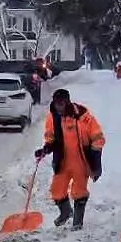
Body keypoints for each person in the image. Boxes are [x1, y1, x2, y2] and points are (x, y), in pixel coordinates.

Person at [34, 88, 105, 230]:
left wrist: (95, 158)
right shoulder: (52, 117)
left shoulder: (82, 115)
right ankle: (66, 212)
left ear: (67, 102)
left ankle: (77, 222)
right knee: (57, 190)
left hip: (81, 160)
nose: (59, 106)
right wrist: (45, 149)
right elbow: (51, 138)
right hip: (63, 160)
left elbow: (98, 137)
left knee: (79, 191)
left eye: (62, 103)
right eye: (56, 103)